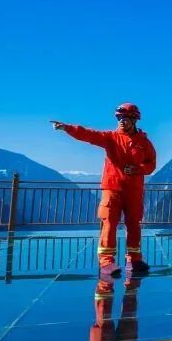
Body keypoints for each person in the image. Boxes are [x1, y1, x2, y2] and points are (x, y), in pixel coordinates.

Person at [51, 103, 156, 277]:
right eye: (119, 118)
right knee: (109, 223)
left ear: (134, 120)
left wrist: (138, 169)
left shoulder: (144, 143)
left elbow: (151, 164)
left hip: (134, 190)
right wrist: (67, 128)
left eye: (125, 118)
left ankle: (134, 259)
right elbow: (89, 134)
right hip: (112, 188)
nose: (121, 121)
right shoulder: (110, 138)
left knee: (134, 223)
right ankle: (106, 262)